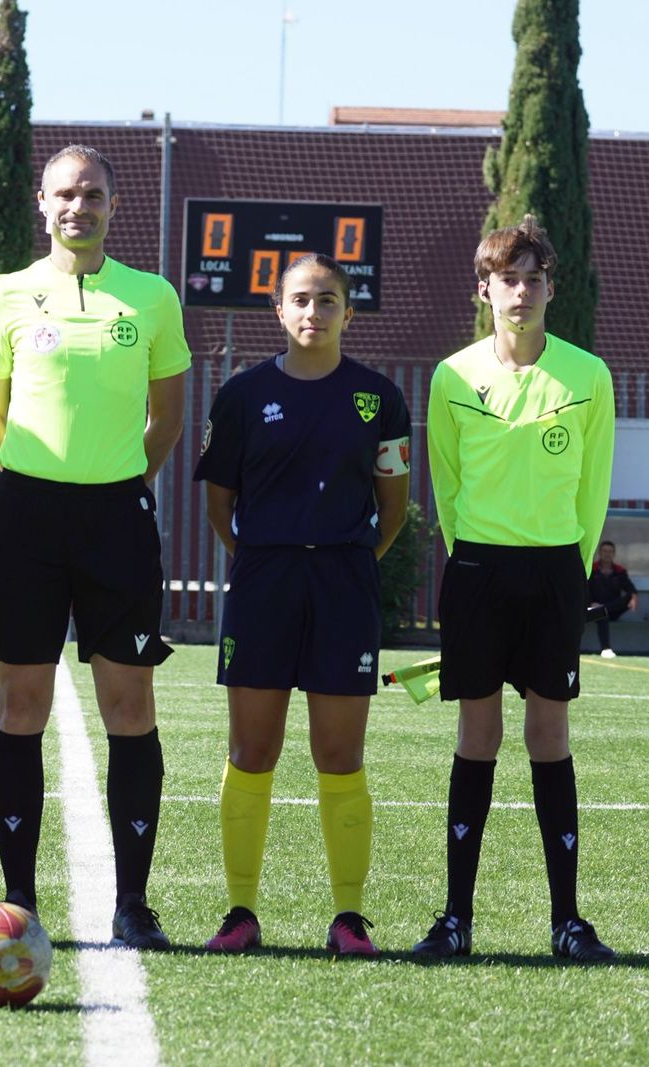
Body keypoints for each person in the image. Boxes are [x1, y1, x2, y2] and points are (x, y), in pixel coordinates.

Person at [0, 144, 190, 949]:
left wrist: (119, 479)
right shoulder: (5, 295)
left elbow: (166, 414)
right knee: (19, 705)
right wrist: (32, 481)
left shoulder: (153, 297)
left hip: (116, 517)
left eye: (92, 193)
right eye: (65, 193)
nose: (78, 206)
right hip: (27, 515)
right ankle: (19, 897)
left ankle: (133, 902)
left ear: (113, 205)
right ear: (42, 202)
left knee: (130, 707)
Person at [194, 254, 410, 957]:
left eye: (327, 300)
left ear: (349, 311)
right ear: (278, 311)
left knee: (339, 754)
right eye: (300, 300)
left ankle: (349, 917)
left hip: (344, 587)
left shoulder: (380, 398)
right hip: (264, 585)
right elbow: (221, 505)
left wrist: (344, 560)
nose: (313, 312)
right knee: (251, 750)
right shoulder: (241, 395)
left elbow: (395, 508)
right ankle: (240, 910)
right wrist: (265, 557)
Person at [414, 215, 617, 963]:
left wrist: (568, 568)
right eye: (509, 279)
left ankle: (567, 920)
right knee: (477, 736)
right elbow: (447, 484)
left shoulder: (588, 376)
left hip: (556, 572)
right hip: (477, 572)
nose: (521, 292)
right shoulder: (453, 375)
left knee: (548, 737)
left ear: (550, 288)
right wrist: (473, 560)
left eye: (533, 279)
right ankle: (455, 919)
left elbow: (593, 489)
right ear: (485, 289)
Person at [586, 540, 638, 659]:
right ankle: (606, 649)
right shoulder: (591, 569)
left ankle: (603, 608)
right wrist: (591, 603)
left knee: (626, 599)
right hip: (593, 609)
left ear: (614, 554)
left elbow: (631, 589)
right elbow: (584, 589)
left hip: (613, 609)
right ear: (599, 553)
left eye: (610, 551)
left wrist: (634, 597)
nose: (607, 554)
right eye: (604, 551)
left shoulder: (619, 571)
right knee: (602, 615)